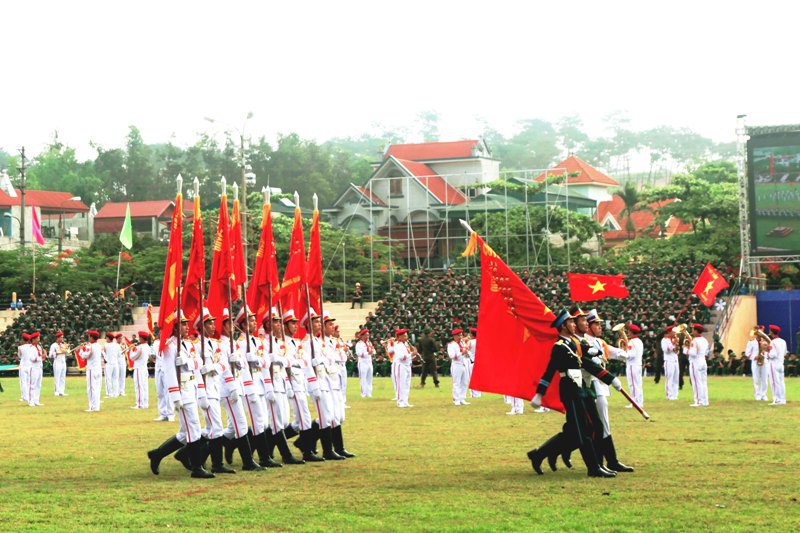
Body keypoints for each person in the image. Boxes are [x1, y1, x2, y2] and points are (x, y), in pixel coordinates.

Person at [527, 308, 622, 478]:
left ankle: (538, 454)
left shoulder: (573, 343)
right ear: (563, 326)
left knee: (592, 427)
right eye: (571, 322)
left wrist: (610, 378)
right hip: (570, 391)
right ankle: (594, 468)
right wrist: (539, 393)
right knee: (582, 431)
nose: (574, 324)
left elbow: (587, 363)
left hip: (582, 389)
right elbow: (550, 371)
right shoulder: (559, 347)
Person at [146, 312, 214, 478]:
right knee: (194, 428)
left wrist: (187, 363)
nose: (186, 327)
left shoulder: (188, 344)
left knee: (185, 432)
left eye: (186, 323)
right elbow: (169, 372)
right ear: (175, 327)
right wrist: (175, 397)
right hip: (182, 391)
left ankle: (157, 454)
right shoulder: (170, 347)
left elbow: (198, 364)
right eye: (183, 324)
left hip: (192, 388)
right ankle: (197, 468)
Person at [78, 330, 103, 412]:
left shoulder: (91, 346)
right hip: (98, 368)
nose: (88, 338)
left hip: (92, 369)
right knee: (97, 388)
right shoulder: (98, 345)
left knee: (91, 388)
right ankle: (96, 406)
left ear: (92, 337)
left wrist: (81, 350)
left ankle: (92, 407)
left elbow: (86, 355)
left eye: (89, 336)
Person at [685, 323, 709, 407]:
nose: (692, 331)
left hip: (695, 362)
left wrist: (685, 349)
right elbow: (706, 352)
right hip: (703, 360)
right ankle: (705, 400)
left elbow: (693, 353)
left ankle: (698, 401)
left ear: (696, 331)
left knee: (696, 382)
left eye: (693, 330)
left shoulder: (694, 341)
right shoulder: (705, 340)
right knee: (703, 382)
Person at [152, 334, 174, 422]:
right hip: (158, 368)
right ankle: (163, 413)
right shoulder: (156, 343)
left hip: (167, 369)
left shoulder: (171, 342)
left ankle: (170, 414)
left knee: (168, 392)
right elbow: (153, 356)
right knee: (159, 392)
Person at [745, 326, 768, 401]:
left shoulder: (765, 341)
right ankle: (757, 395)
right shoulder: (751, 342)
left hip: (764, 361)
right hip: (755, 362)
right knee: (756, 379)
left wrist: (765, 354)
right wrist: (754, 357)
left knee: (765, 379)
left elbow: (769, 351)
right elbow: (747, 353)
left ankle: (764, 394)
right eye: (759, 332)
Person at [448, 328, 470, 406]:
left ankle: (462, 398)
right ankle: (456, 399)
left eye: (461, 335)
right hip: (456, 365)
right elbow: (452, 356)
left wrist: (467, 352)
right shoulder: (451, 345)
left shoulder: (462, 343)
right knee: (457, 382)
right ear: (455, 336)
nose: (461, 337)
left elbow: (466, 351)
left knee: (465, 382)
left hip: (464, 363)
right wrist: (462, 353)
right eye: (459, 335)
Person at [393, 328, 414, 408]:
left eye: (406, 335)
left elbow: (408, 355)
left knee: (406, 384)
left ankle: (405, 401)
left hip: (407, 365)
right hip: (400, 366)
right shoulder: (398, 345)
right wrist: (411, 354)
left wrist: (414, 355)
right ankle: (400, 401)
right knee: (400, 384)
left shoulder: (406, 345)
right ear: (399, 337)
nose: (406, 337)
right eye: (404, 336)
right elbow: (402, 357)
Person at [766, 325, 787, 405]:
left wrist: (766, 353)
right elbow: (785, 353)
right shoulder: (783, 341)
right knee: (781, 382)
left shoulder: (773, 342)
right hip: (781, 363)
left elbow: (772, 355)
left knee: (774, 382)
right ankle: (783, 399)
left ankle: (777, 399)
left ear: (771, 332)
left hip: (773, 363)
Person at [130, 331, 151, 409]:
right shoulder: (148, 347)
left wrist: (132, 349)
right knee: (145, 386)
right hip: (144, 368)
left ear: (142, 338)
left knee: (139, 386)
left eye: (139, 337)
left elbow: (132, 357)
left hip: (139, 368)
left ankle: (139, 404)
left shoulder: (140, 347)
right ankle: (145, 403)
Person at [27, 331, 45, 407]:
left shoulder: (39, 347)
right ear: (33, 339)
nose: (39, 339)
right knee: (33, 384)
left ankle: (36, 400)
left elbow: (40, 356)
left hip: (39, 367)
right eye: (37, 337)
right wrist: (41, 357)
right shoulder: (31, 348)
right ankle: (31, 401)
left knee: (38, 384)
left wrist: (43, 357)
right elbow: (32, 358)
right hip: (33, 367)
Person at [355, 328, 374, 398]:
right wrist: (367, 353)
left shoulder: (369, 343)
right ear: (362, 336)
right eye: (366, 335)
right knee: (363, 378)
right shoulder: (359, 344)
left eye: (368, 335)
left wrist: (372, 351)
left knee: (369, 377)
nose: (367, 336)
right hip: (362, 362)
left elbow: (373, 351)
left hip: (369, 361)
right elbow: (359, 353)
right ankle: (363, 393)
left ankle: (369, 392)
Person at [662, 326, 680, 400]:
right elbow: (666, 350)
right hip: (668, 360)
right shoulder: (665, 340)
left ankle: (675, 395)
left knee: (676, 378)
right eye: (673, 332)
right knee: (669, 378)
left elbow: (676, 351)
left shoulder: (674, 339)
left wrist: (677, 346)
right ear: (669, 332)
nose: (675, 333)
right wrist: (673, 344)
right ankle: (669, 395)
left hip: (675, 360)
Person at [49, 331, 69, 397]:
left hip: (63, 361)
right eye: (61, 337)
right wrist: (56, 353)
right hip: (57, 361)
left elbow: (66, 353)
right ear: (58, 338)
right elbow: (50, 355)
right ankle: (56, 391)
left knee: (63, 377)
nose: (62, 338)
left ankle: (61, 391)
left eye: (62, 337)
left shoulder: (63, 345)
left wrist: (67, 352)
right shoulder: (53, 345)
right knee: (57, 376)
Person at [103, 332, 120, 399]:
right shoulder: (117, 345)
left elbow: (104, 353)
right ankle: (115, 393)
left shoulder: (106, 345)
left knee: (108, 379)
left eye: (106, 338)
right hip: (115, 363)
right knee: (115, 379)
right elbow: (119, 355)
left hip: (109, 363)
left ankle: (109, 393)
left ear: (108, 338)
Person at [466, 328, 480, 398]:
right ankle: (478, 394)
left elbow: (466, 350)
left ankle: (474, 395)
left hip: (471, 361)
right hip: (479, 362)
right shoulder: (480, 341)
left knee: (471, 379)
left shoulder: (470, 341)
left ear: (472, 334)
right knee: (478, 378)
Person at [18, 333, 31, 403]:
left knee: (23, 382)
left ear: (23, 339)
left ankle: (24, 396)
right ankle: (29, 396)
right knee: (29, 381)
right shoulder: (31, 346)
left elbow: (19, 356)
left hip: (23, 365)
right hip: (30, 365)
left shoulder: (20, 347)